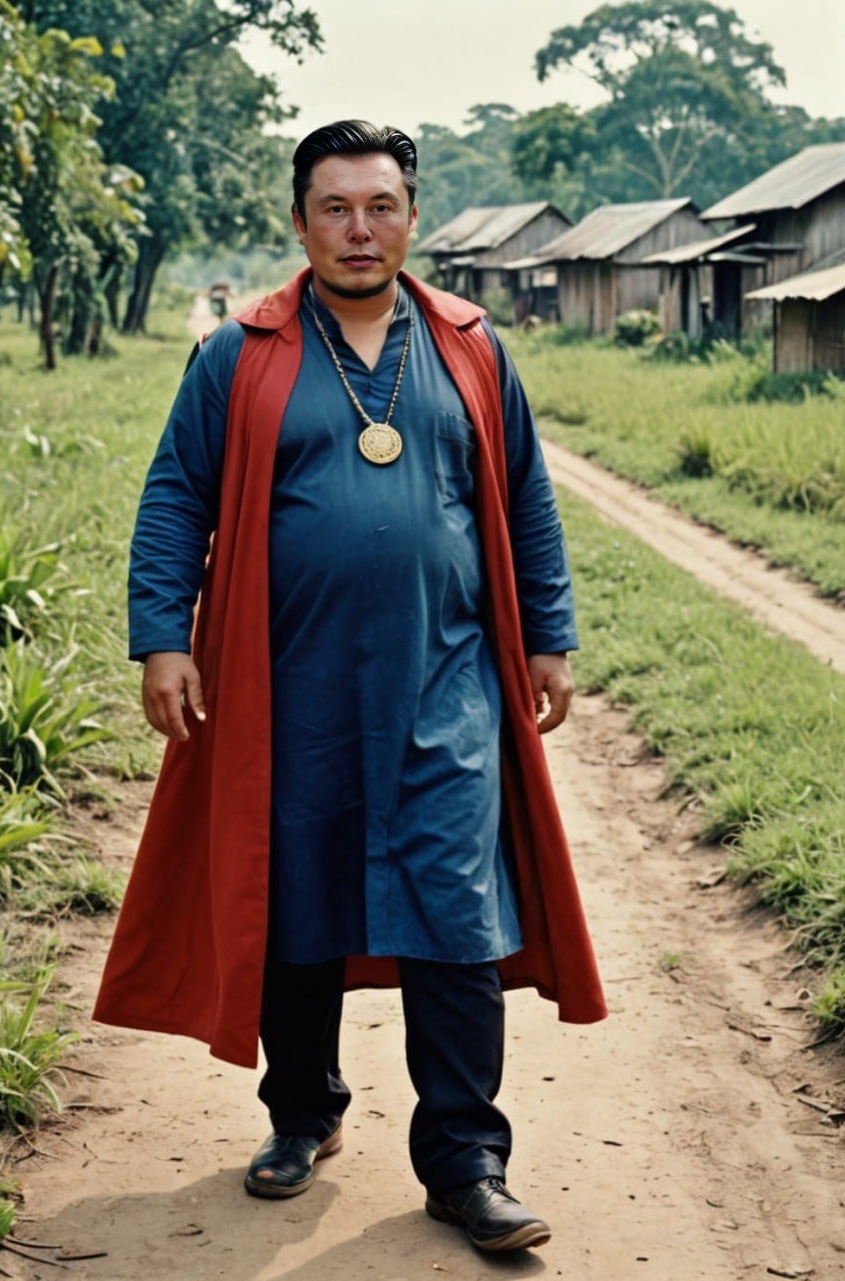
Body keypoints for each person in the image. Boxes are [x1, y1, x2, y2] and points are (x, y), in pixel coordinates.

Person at [94, 119, 606, 1255]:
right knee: (297, 906)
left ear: (412, 218)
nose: (359, 228)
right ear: (300, 223)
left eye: (379, 206)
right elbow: (176, 494)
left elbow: (523, 496)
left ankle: (467, 1163)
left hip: (448, 685)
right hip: (286, 691)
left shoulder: (470, 344)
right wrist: (160, 639)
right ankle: (301, 1112)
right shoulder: (243, 351)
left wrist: (549, 636)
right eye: (335, 207)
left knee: (455, 920)